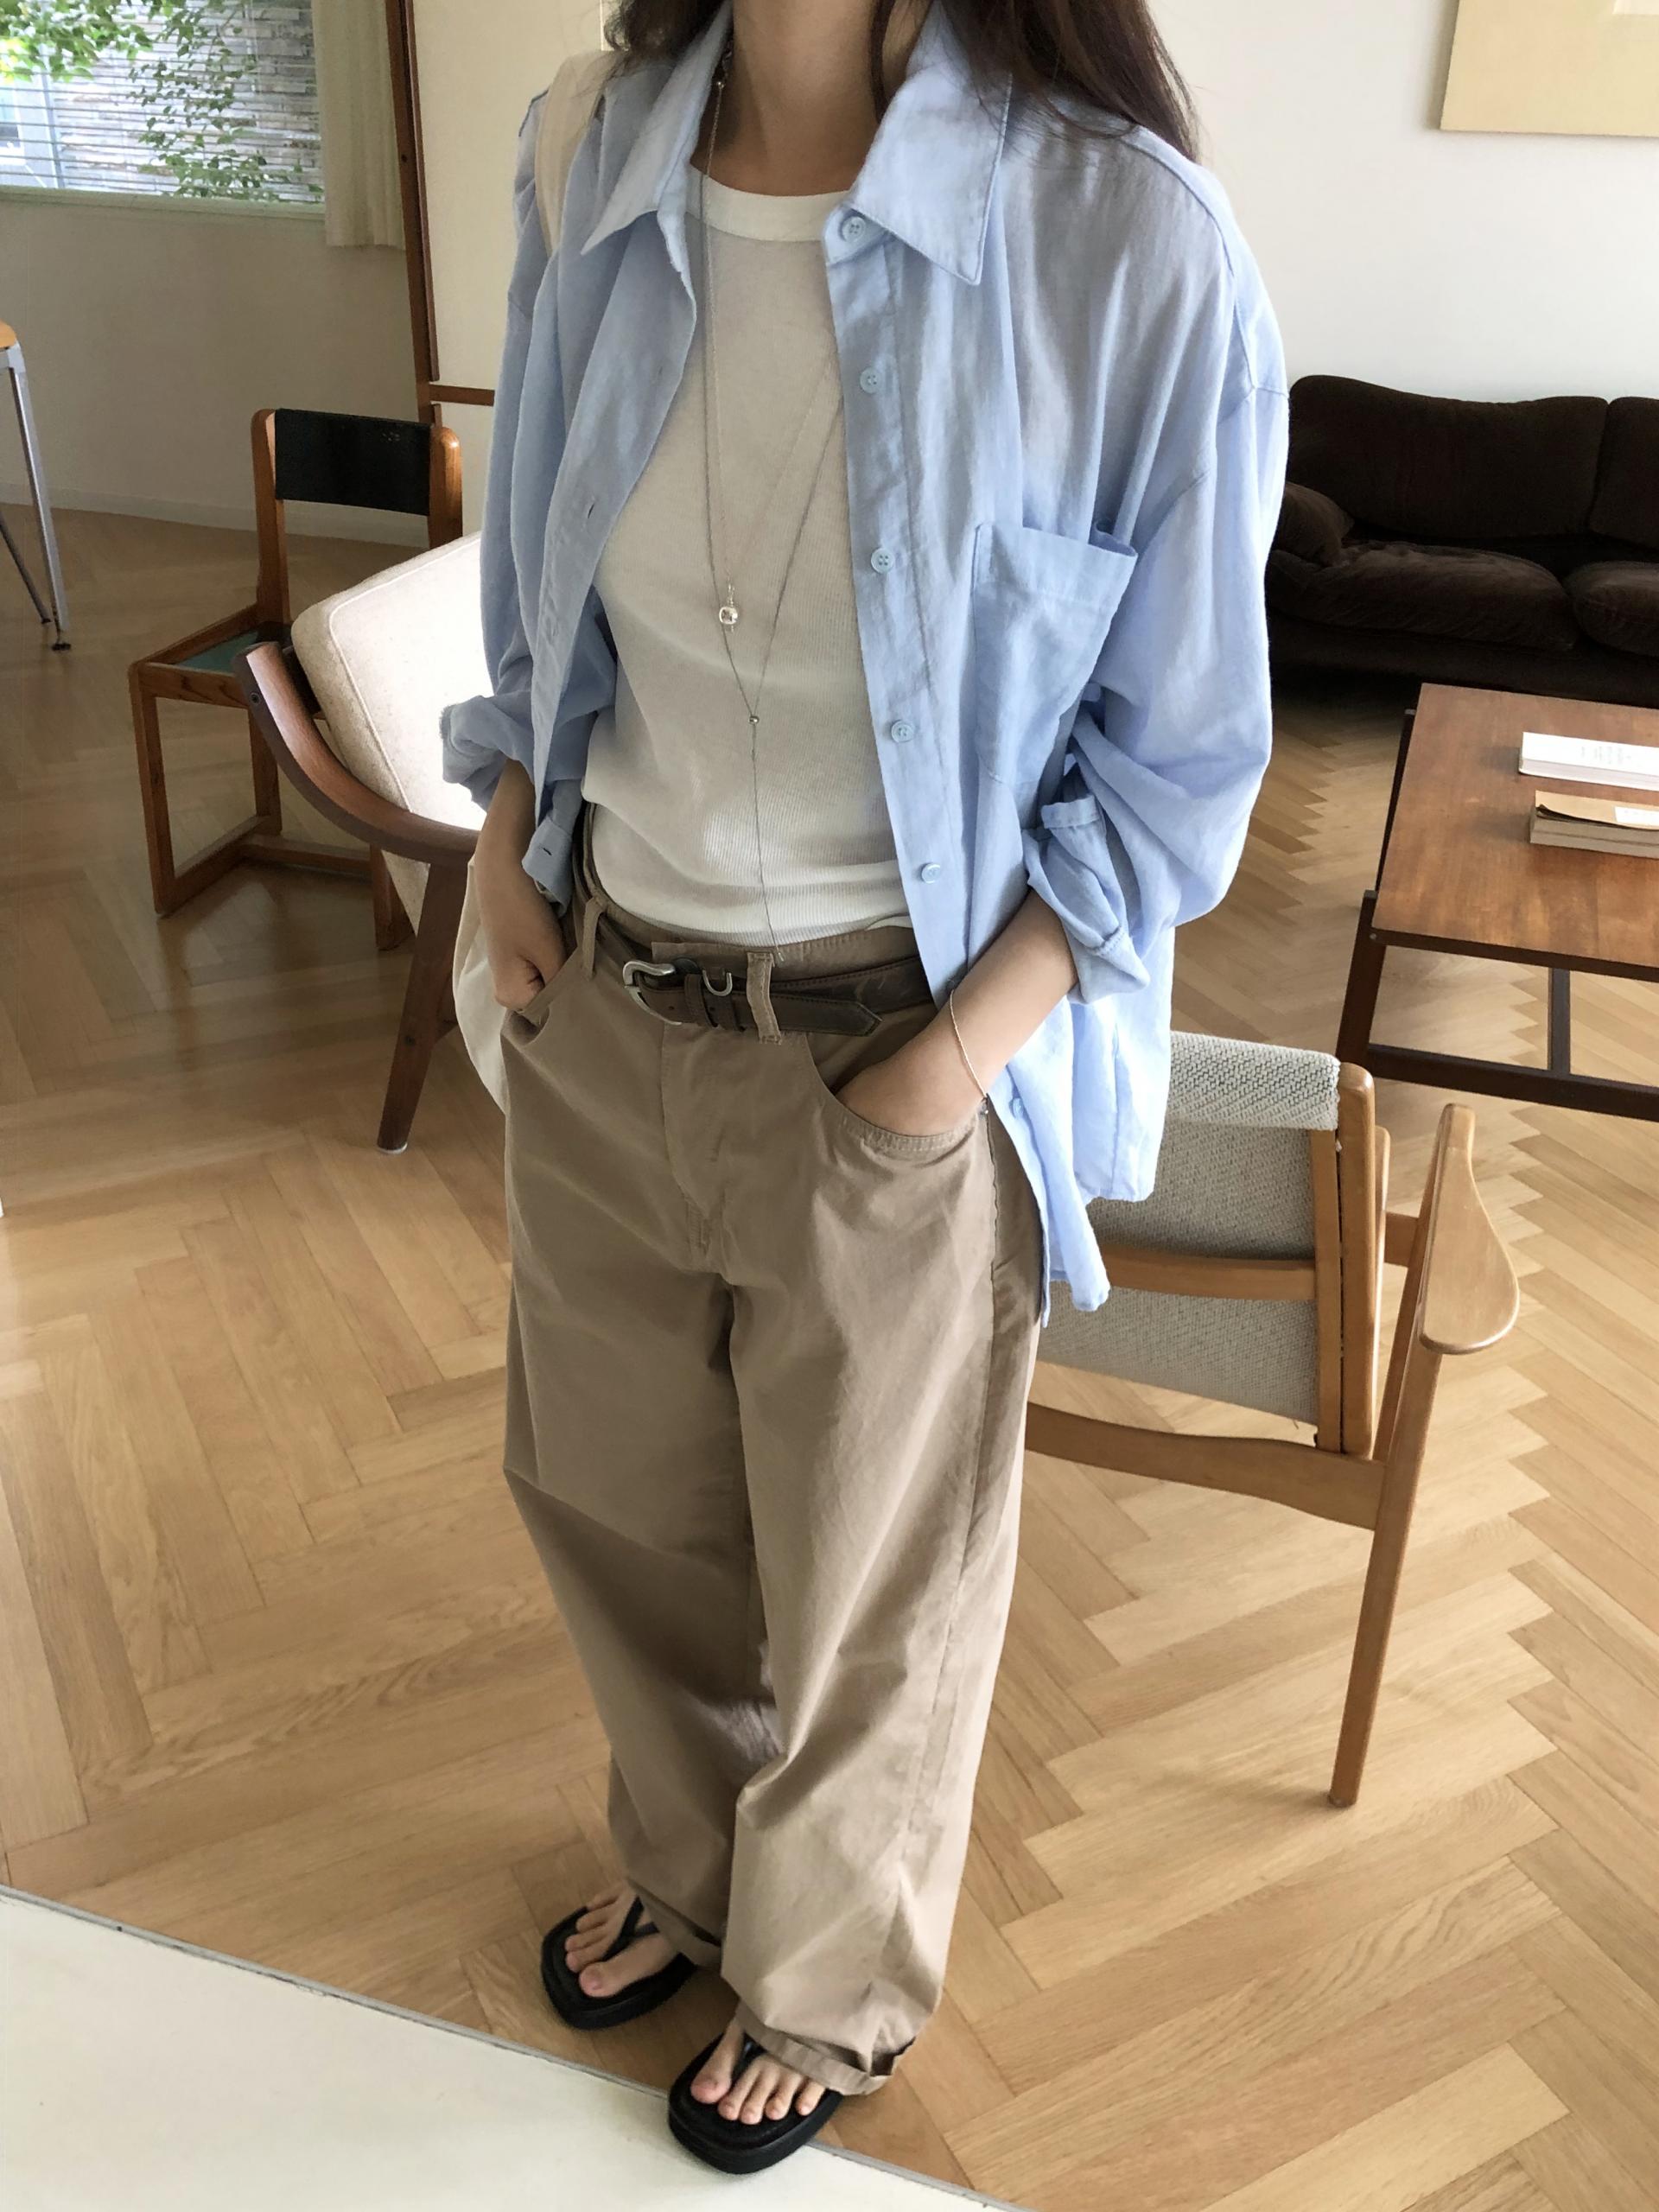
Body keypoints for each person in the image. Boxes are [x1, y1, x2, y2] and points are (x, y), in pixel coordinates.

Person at [442, 0, 1286, 2175]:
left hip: (892, 1051)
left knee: (869, 1584)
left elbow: (1181, 755)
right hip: (606, 991)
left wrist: (949, 1062)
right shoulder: (589, 156)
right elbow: (533, 573)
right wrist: (504, 840)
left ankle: (826, 1981)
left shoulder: (1124, 240)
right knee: (612, 1498)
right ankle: (688, 1866)